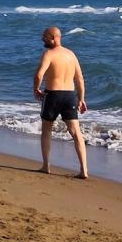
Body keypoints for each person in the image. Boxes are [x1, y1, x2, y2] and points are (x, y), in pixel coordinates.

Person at [33, 26, 89, 179]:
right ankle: (84, 170)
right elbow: (79, 79)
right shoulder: (71, 54)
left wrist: (36, 89)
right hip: (70, 95)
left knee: (46, 131)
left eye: (45, 37)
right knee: (76, 133)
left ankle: (46, 166)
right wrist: (81, 99)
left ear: (54, 37)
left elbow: (39, 75)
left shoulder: (49, 54)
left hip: (52, 95)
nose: (42, 40)